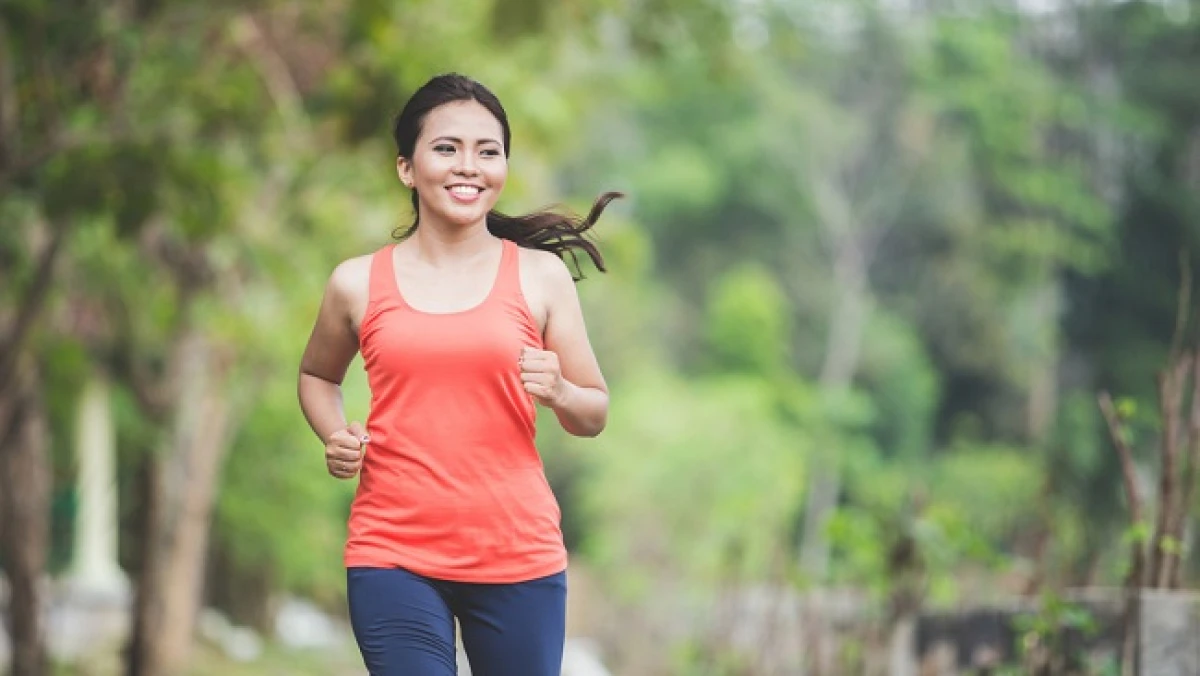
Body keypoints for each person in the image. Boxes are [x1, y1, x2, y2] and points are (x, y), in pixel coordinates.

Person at [297, 73, 619, 676]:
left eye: (487, 151)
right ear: (406, 168)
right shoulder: (356, 283)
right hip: (392, 552)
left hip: (517, 555)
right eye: (446, 148)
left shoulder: (539, 277)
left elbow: (593, 414)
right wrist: (333, 432)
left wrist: (559, 391)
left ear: (502, 166)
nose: (468, 166)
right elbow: (318, 375)